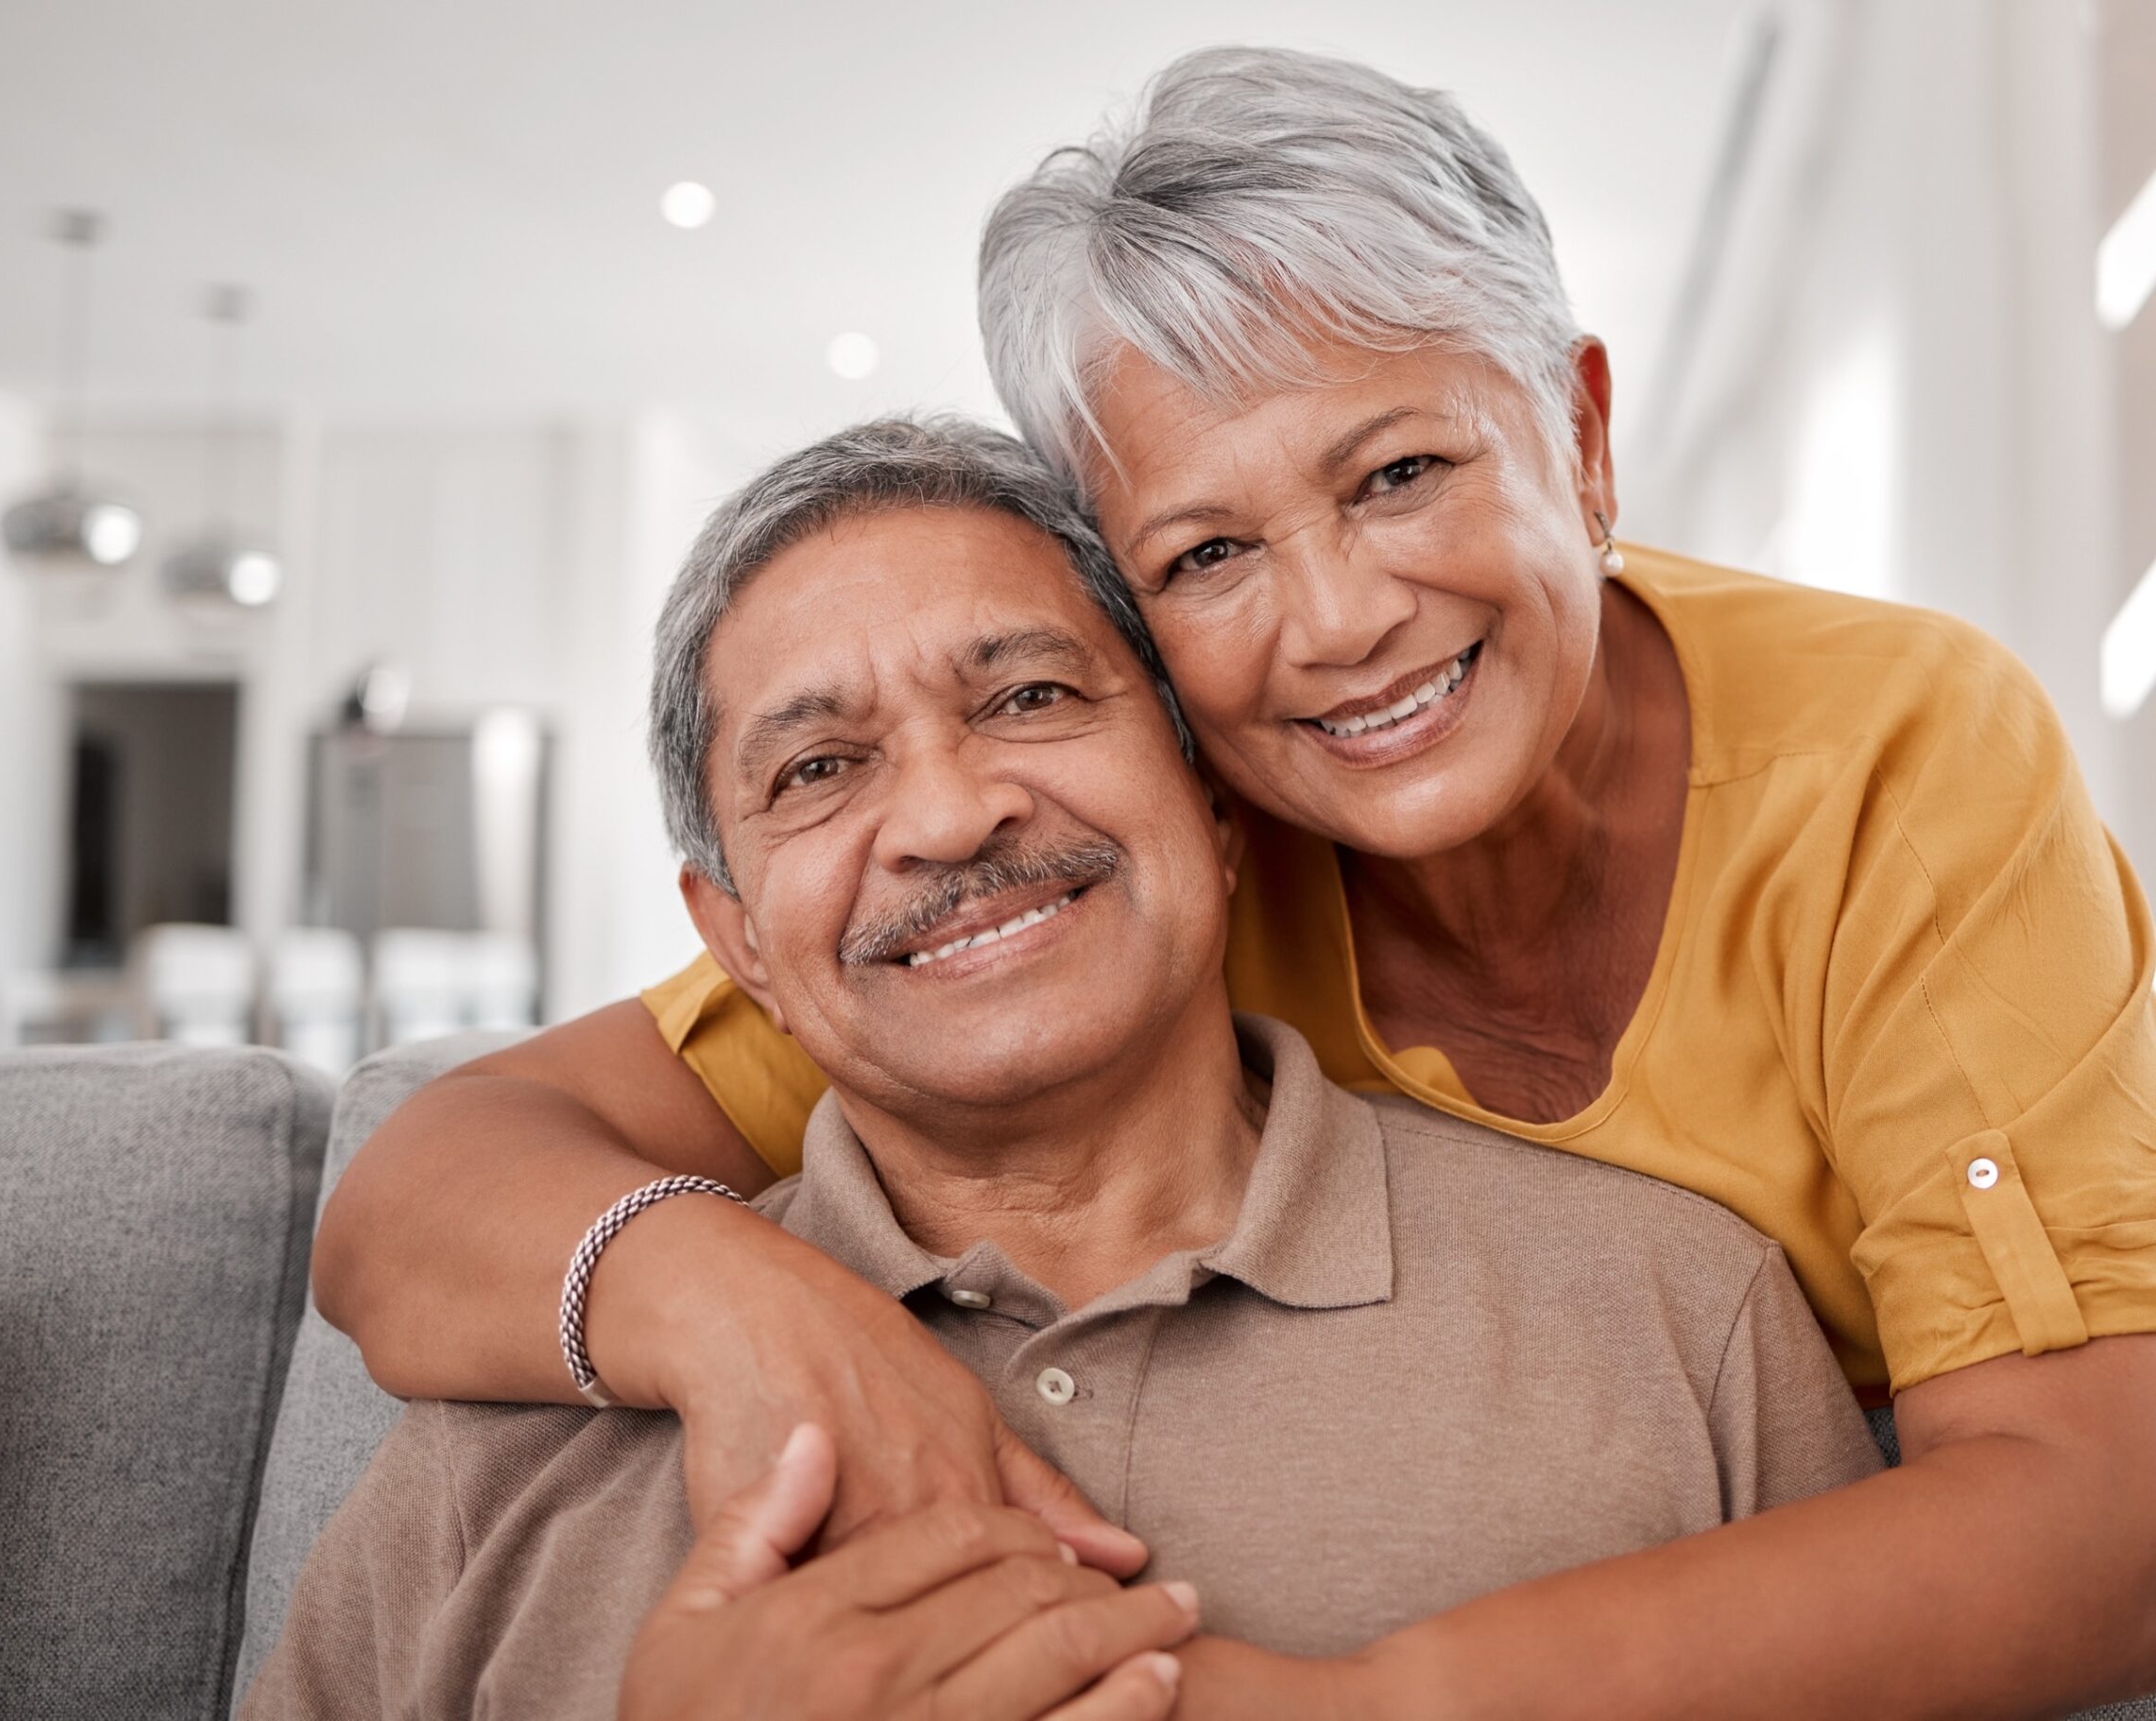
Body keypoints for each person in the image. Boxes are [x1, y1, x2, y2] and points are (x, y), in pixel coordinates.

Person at [314, 47, 2156, 1715]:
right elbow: (420, 1192)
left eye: (1400, 473)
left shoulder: (1890, 757)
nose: (1338, 626)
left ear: (1580, 438)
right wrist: (762, 1321)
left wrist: (1364, 1709)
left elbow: (2097, 1511)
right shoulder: (1074, 889)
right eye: (1202, 555)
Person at [246, 419, 1877, 1721]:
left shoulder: (1683, 1320)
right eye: (821, 769)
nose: (953, 817)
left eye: (1028, 696)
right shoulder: (515, 1425)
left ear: (1219, 801)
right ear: (735, 940)